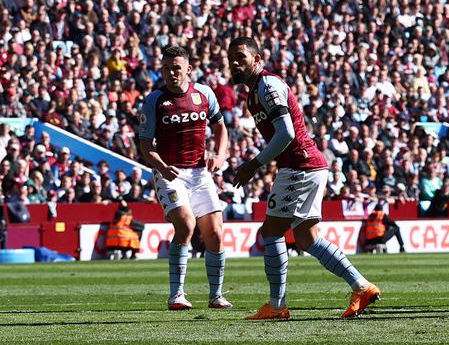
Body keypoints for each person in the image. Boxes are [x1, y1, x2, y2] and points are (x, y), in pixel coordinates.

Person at [228, 37, 381, 321]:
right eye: (231, 59)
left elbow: (286, 133)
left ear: (257, 59)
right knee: (306, 238)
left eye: (240, 57)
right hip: (308, 165)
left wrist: (254, 164)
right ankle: (361, 286)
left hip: (300, 165)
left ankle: (276, 305)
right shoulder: (254, 92)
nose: (234, 63)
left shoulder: (267, 85)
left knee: (271, 232)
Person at [137, 45, 232, 310]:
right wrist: (161, 166)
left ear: (188, 69)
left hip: (200, 174)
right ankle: (176, 294)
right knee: (187, 225)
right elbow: (145, 144)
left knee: (214, 233)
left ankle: (216, 295)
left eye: (176, 68)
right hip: (170, 173)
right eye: (166, 68)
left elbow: (220, 127)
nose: (170, 73)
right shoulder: (155, 100)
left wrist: (221, 156)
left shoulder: (204, 94)